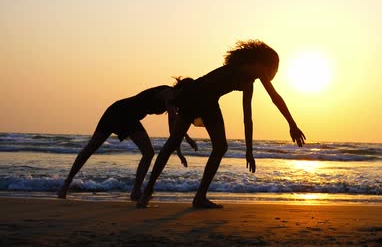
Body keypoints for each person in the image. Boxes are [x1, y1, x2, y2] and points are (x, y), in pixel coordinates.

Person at [137, 40, 306, 209]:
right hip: (204, 99)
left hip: (192, 93)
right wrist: (292, 124)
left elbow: (248, 118)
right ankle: (199, 197)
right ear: (265, 63)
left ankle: (147, 193)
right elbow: (274, 97)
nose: (273, 73)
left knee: (173, 144)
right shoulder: (258, 69)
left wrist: (249, 151)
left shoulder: (248, 82)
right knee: (218, 147)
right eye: (274, 68)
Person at [57, 82, 198, 201]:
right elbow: (172, 125)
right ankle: (65, 185)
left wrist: (186, 139)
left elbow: (175, 126)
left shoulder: (174, 101)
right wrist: (180, 150)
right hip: (119, 111)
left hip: (129, 116)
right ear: (181, 89)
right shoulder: (169, 93)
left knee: (148, 153)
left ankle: (136, 191)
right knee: (91, 148)